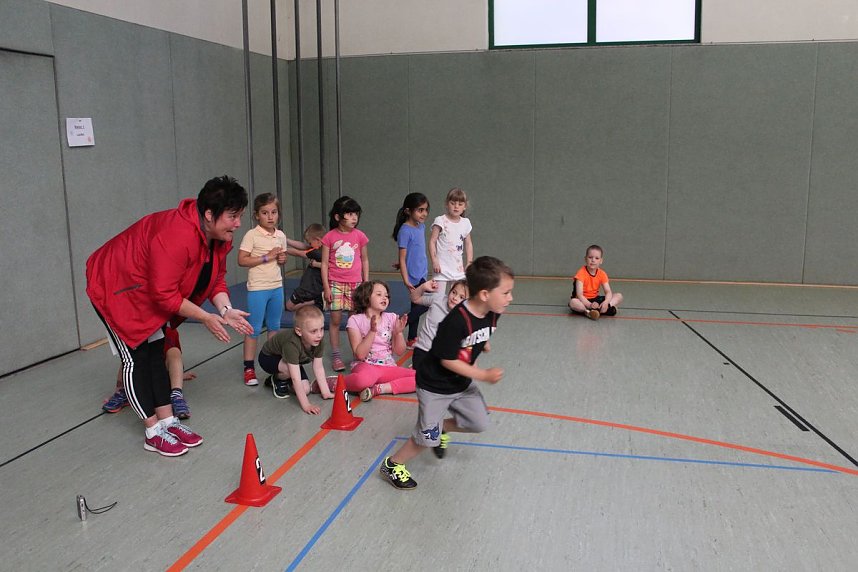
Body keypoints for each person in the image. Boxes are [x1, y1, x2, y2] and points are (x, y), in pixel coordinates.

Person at [86, 175, 253, 457]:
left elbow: (215, 280)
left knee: (156, 354)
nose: (238, 223)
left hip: (146, 290)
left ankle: (168, 421)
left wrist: (225, 309)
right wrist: (205, 317)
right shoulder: (177, 235)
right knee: (135, 358)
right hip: (115, 288)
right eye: (233, 216)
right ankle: (152, 431)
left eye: (239, 216)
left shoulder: (216, 238)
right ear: (210, 215)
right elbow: (164, 294)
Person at [380, 256, 514, 490]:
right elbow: (448, 360)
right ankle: (393, 464)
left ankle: (439, 427)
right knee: (425, 439)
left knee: (478, 422)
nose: (510, 298)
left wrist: (483, 342)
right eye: (505, 293)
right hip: (434, 386)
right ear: (484, 294)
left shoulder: (493, 311)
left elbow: (480, 333)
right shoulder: (454, 322)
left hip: (460, 385)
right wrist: (483, 375)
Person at [237, 193, 307, 386]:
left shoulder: (280, 235)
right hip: (258, 289)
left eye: (274, 212)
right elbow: (242, 260)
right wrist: (266, 257)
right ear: (257, 215)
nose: (270, 216)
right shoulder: (252, 235)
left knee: (275, 327)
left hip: (276, 286)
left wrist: (282, 259)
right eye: (265, 212)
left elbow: (282, 256)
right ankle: (249, 368)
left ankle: (273, 363)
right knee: (254, 328)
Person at [102, 324, 197, 420]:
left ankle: (176, 396)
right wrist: (119, 387)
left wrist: (179, 376)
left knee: (174, 352)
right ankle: (123, 391)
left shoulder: (169, 332)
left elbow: (173, 360)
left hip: (161, 374)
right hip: (142, 374)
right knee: (130, 357)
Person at [343, 281, 416, 402]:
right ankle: (336, 382)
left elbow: (399, 351)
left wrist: (398, 333)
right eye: (379, 294)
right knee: (364, 380)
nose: (384, 298)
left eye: (386, 296)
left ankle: (379, 389)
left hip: (388, 367)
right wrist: (372, 331)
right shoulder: (355, 320)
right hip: (366, 366)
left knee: (421, 378)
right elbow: (360, 355)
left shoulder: (391, 317)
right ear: (366, 297)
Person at [321, 196, 369, 372]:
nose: (354, 217)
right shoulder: (329, 237)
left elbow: (364, 259)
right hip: (335, 283)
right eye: (349, 214)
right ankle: (336, 355)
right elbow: (325, 264)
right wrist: (326, 287)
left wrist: (366, 281)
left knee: (354, 320)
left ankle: (358, 354)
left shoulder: (360, 236)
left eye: (356, 214)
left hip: (355, 283)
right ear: (337, 217)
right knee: (335, 320)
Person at [258, 305, 334, 414]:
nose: (319, 335)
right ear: (299, 331)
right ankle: (276, 379)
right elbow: (295, 378)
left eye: (321, 329)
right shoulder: (292, 344)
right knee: (290, 372)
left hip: (291, 359)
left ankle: (283, 377)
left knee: (306, 390)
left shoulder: (318, 341)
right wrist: (306, 405)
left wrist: (325, 392)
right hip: (269, 357)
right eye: (313, 331)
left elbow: (318, 367)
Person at [392, 193, 431, 349]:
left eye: (426, 210)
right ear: (408, 211)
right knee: (428, 303)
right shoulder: (405, 230)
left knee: (416, 307)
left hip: (422, 271)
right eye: (420, 210)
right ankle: (399, 324)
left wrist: (402, 264)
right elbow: (402, 256)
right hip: (414, 276)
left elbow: (415, 251)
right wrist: (406, 277)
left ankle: (411, 338)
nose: (424, 214)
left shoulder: (421, 227)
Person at [408, 279, 468, 372]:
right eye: (454, 292)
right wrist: (423, 287)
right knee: (419, 382)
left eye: (461, 297)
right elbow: (414, 298)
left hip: (442, 357)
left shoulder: (464, 318)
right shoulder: (438, 299)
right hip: (422, 351)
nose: (455, 298)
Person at [429, 187, 473, 294]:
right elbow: (432, 241)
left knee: (456, 299)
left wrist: (469, 262)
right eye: (453, 203)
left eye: (460, 204)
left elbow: (468, 243)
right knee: (438, 298)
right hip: (441, 268)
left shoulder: (465, 223)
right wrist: (435, 261)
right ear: (447, 204)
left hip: (458, 269)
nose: (456, 207)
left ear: (465, 206)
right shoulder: (440, 220)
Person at [568, 244, 624, 320]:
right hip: (583, 300)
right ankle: (588, 311)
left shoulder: (602, 274)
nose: (593, 260)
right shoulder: (581, 273)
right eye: (590, 257)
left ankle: (600, 309)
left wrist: (606, 302)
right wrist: (590, 305)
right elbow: (580, 294)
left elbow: (608, 292)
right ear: (585, 259)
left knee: (619, 296)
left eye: (597, 258)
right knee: (573, 302)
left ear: (601, 261)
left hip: (595, 299)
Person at [285, 223, 326, 312]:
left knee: (289, 307)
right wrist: (286, 240)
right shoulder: (322, 248)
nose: (309, 244)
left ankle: (315, 300)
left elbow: (299, 253)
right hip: (315, 285)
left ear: (318, 240)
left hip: (310, 286)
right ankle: (317, 299)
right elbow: (303, 246)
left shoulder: (316, 252)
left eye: (310, 242)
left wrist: (283, 249)